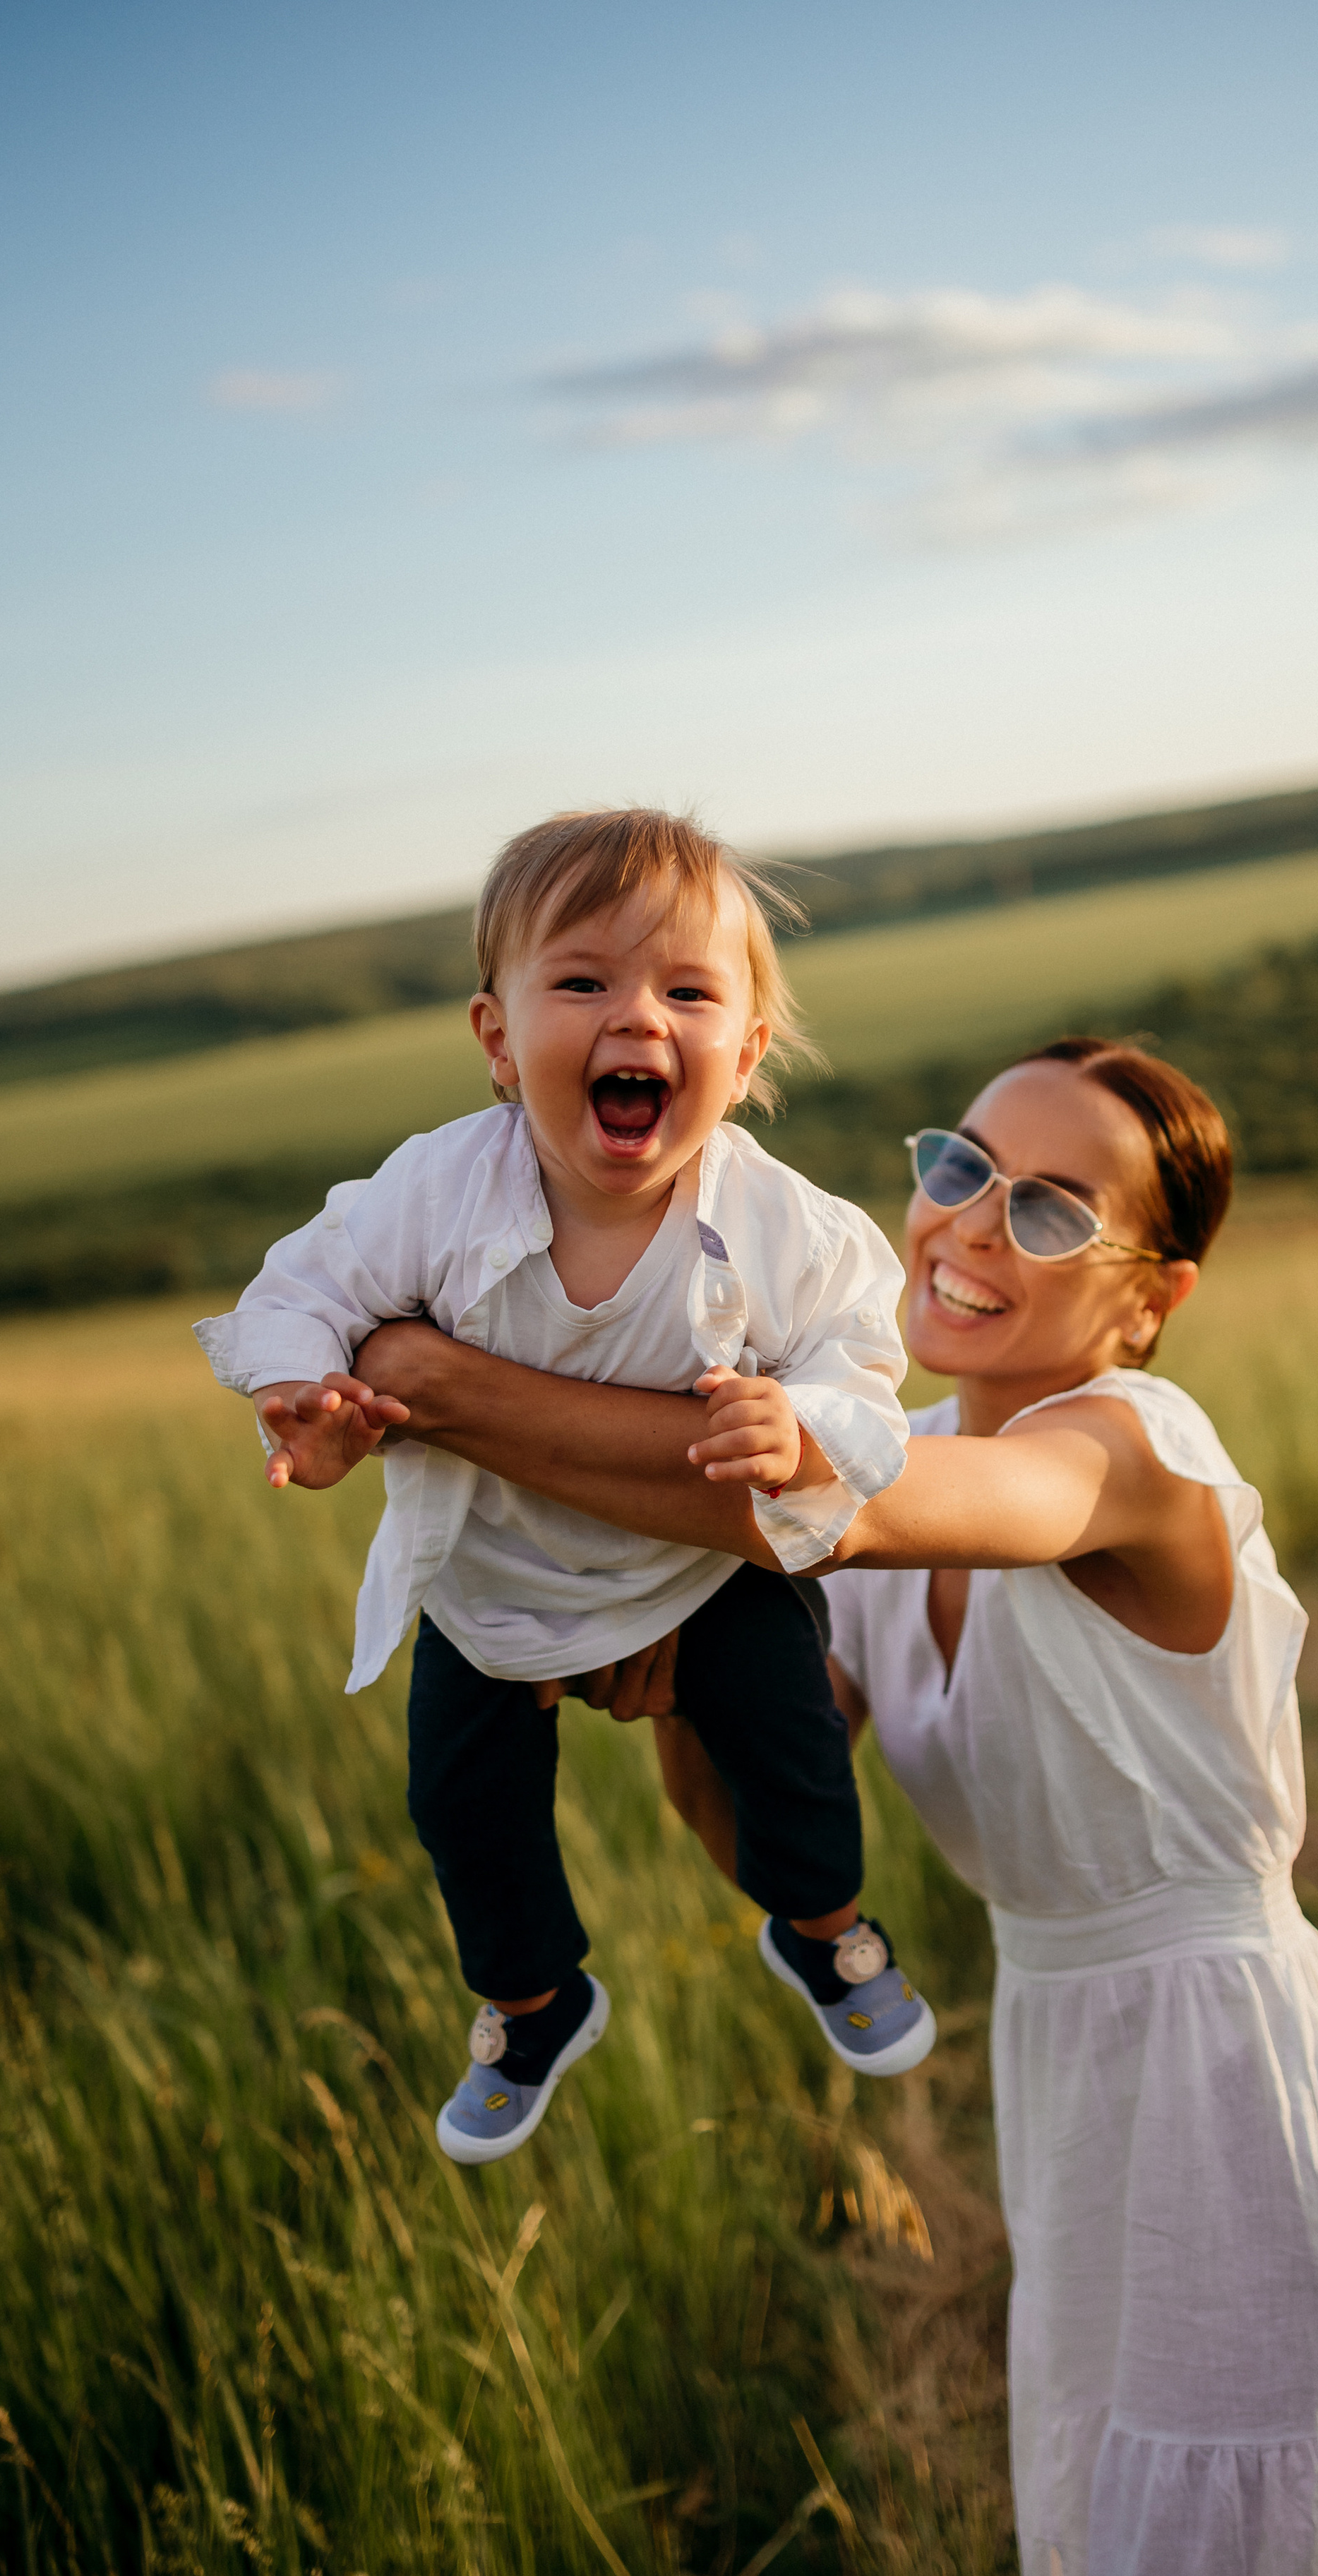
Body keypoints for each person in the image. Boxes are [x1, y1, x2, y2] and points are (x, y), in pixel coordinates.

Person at [350, 1036, 1318, 2576]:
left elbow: (817, 1507)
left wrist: (446, 1384)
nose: (966, 1228)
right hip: (1062, 2077)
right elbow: (760, 1827)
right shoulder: (877, 1482)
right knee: (1120, 2552)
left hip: (1232, 2075)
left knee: (1266, 2566)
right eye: (958, 1168)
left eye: (1048, 1210)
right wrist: (674, 1674)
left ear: (1149, 1295)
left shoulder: (1126, 1453)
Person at [194, 808, 935, 2168]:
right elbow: (306, 1286)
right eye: (583, 981)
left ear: (749, 1050)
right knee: (460, 1801)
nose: (635, 1018)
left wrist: (805, 1420)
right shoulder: (436, 1190)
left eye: (689, 991)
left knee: (793, 1741)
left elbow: (863, 1361)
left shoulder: (784, 1226)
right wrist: (303, 1397)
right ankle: (533, 2002)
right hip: (492, 1579)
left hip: (698, 1569)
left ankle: (826, 1926)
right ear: (496, 1035)